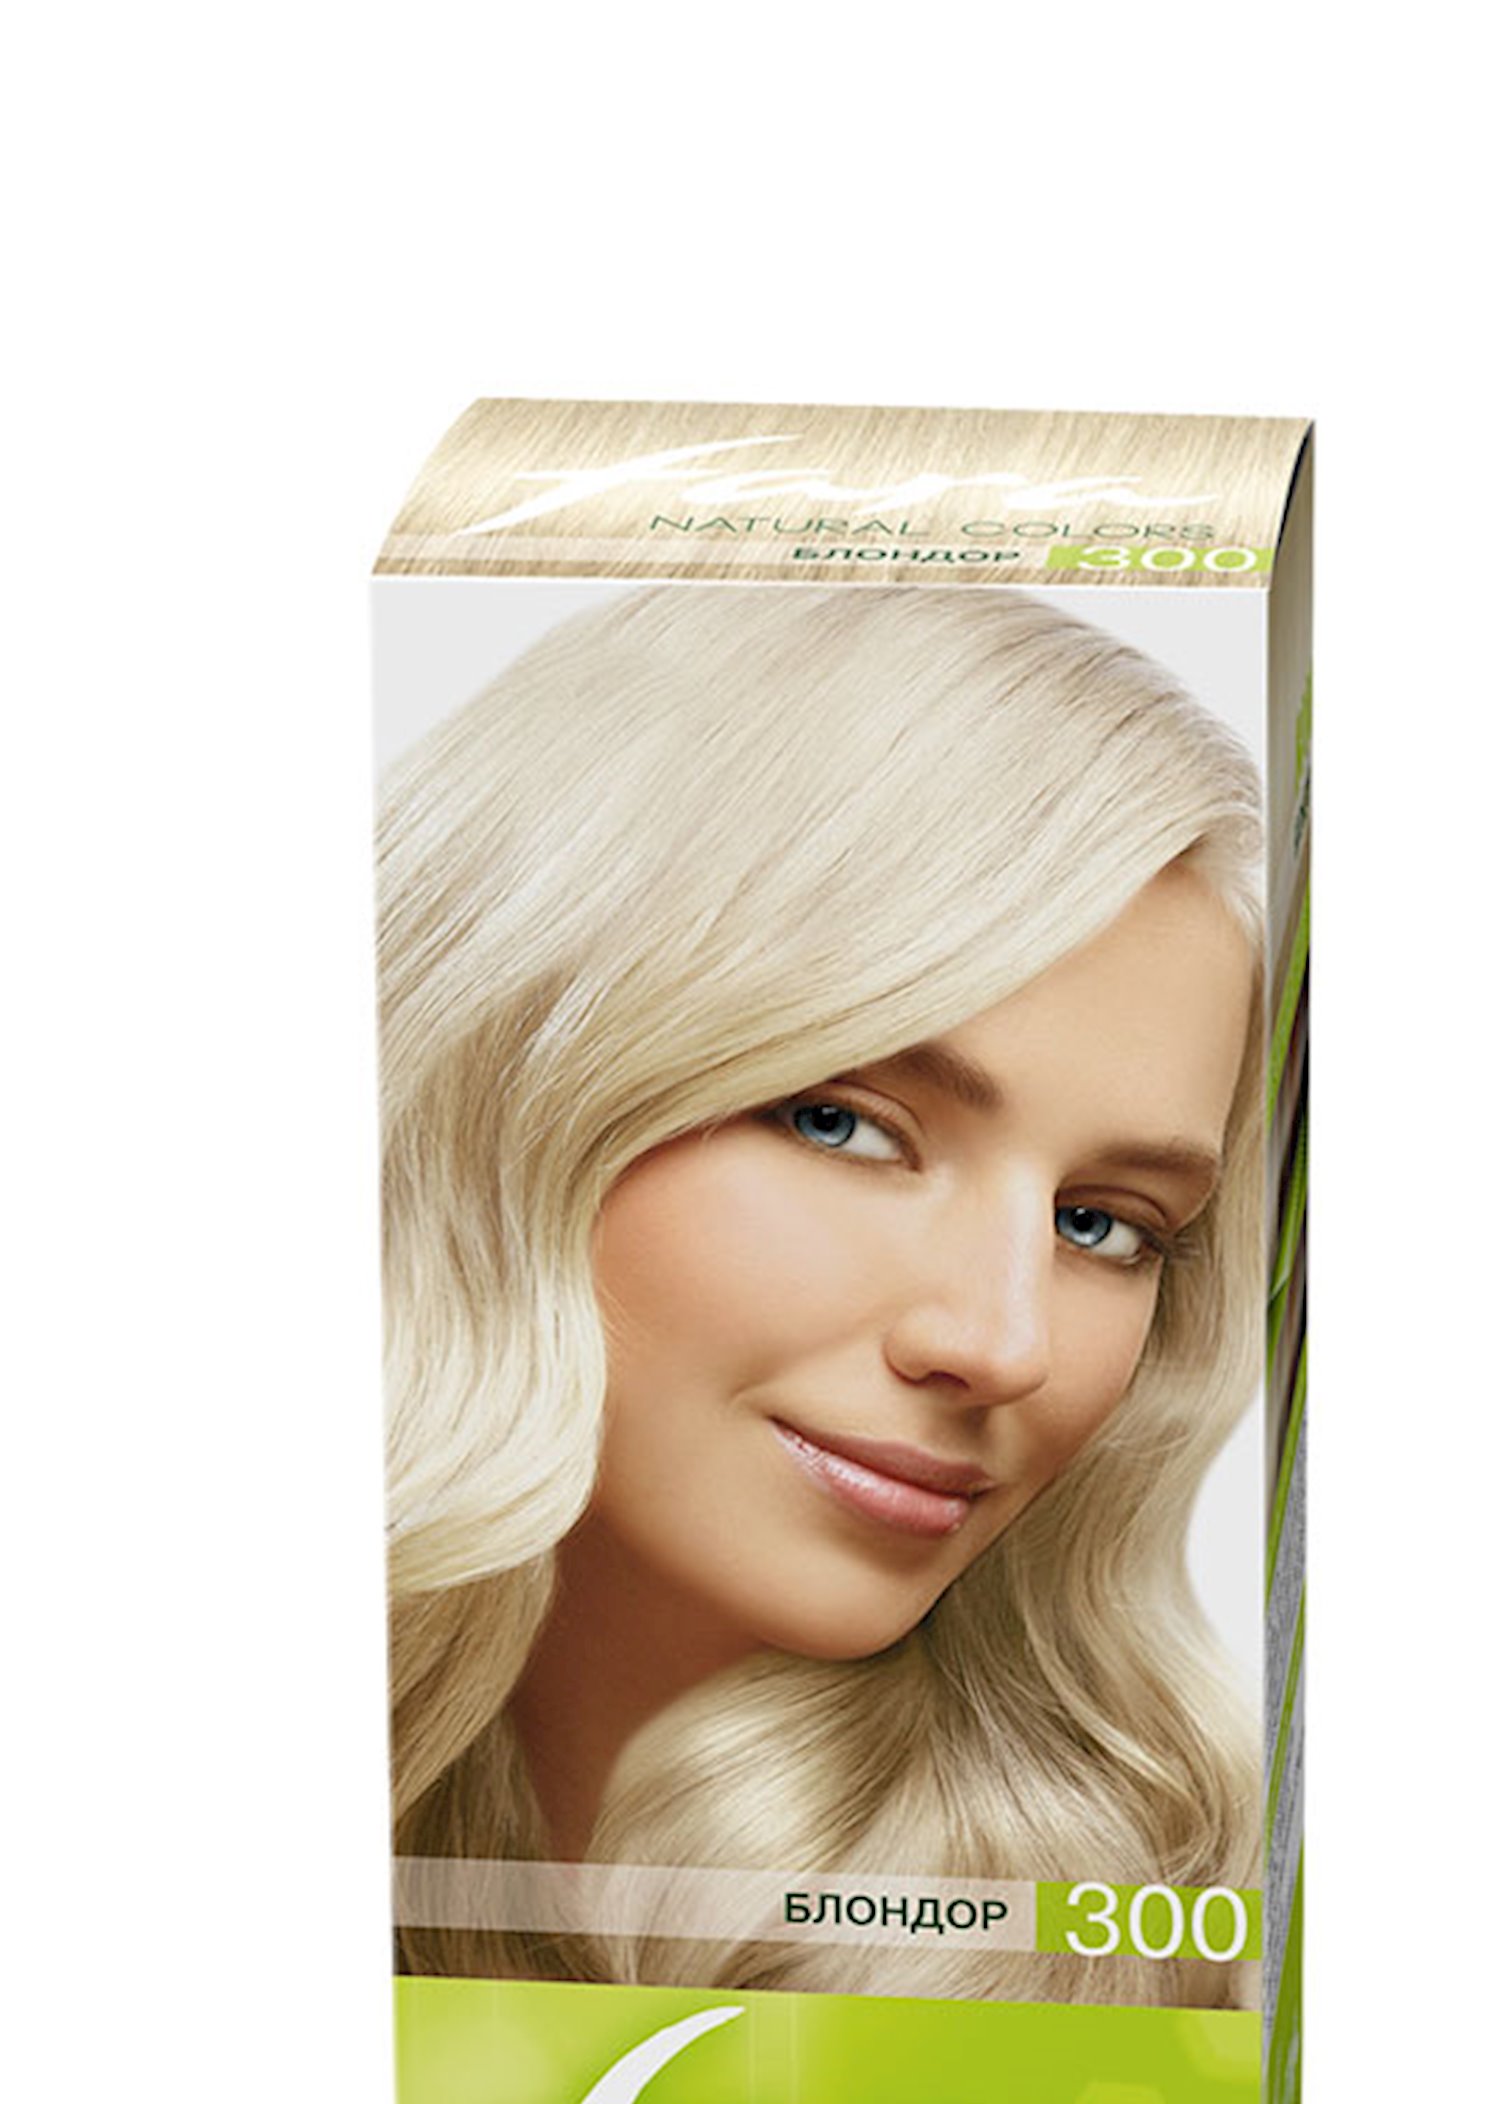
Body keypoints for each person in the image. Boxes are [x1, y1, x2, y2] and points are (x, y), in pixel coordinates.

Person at [379, 584, 1264, 2004]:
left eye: (1103, 1225)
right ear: (512, 1080)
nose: (1002, 1343)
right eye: (842, 1125)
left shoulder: (1159, 1956)